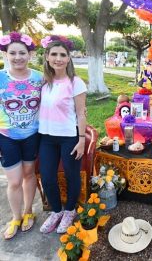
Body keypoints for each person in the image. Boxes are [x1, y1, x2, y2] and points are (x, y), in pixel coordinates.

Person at [38, 35, 87, 234]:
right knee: (48, 177)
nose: (58, 58)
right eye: (54, 54)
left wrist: (82, 140)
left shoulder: (75, 82)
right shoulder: (43, 82)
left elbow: (81, 113)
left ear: (68, 58)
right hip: (46, 138)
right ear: (47, 57)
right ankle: (56, 211)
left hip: (69, 137)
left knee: (71, 175)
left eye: (62, 55)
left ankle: (70, 210)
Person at [0, 32, 42, 240]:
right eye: (13, 53)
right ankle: (15, 217)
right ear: (6, 54)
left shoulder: (38, 78)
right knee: (14, 181)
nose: (17, 57)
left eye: (22, 53)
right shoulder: (0, 78)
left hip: (32, 135)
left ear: (30, 54)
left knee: (29, 175)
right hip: (6, 136)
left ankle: (28, 212)